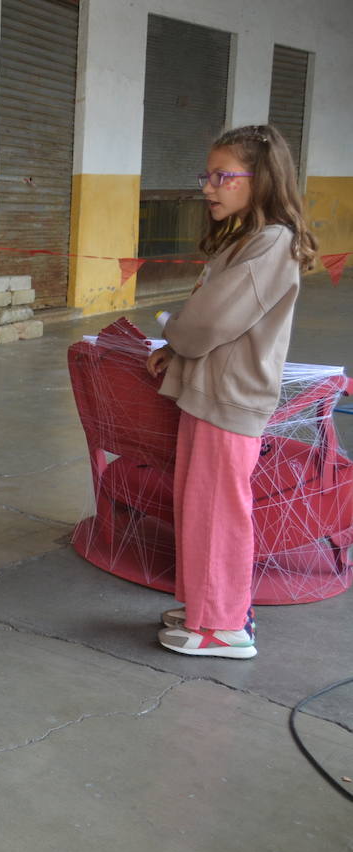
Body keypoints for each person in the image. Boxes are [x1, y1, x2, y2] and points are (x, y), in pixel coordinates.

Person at [145, 124, 317, 660]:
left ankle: (222, 628)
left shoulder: (273, 243)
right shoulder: (247, 238)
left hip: (230, 398)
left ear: (260, 179)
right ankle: (209, 604)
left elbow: (207, 321)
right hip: (210, 392)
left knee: (218, 511)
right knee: (200, 506)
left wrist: (174, 327)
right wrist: (176, 350)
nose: (209, 187)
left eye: (224, 176)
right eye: (208, 175)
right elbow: (213, 325)